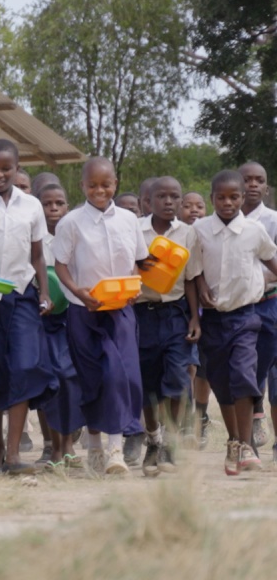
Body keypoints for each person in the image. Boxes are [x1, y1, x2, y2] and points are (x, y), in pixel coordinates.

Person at [0, 139, 58, 475]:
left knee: (23, 366)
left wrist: (44, 292)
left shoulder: (31, 206)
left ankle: (15, 454)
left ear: (17, 168)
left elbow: (37, 255)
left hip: (20, 298)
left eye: (7, 168)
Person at [53, 157, 151, 475]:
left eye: (105, 185)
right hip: (85, 311)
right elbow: (61, 266)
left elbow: (137, 261)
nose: (99, 190)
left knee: (120, 376)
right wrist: (77, 292)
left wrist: (136, 285)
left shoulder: (128, 220)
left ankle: (115, 449)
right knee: (92, 379)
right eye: (93, 185)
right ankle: (94, 445)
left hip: (120, 311)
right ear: (82, 186)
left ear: (115, 185)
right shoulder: (71, 223)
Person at [194, 169, 277, 474]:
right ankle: (234, 441)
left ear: (243, 198)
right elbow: (194, 270)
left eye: (234, 197)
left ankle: (246, 445)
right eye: (221, 197)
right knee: (221, 383)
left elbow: (271, 258)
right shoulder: (200, 231)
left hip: (246, 317)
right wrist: (201, 287)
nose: (227, 203)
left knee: (244, 375)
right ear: (211, 198)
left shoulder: (254, 231)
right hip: (214, 320)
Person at [134, 176, 201, 476]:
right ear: (149, 200)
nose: (169, 202)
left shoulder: (188, 233)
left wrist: (195, 317)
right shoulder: (136, 230)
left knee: (176, 379)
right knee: (148, 385)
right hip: (141, 314)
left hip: (175, 314)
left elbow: (191, 279)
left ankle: (171, 443)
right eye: (162, 196)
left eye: (175, 196)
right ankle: (153, 439)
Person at [37, 182, 84, 470]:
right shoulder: (34, 239)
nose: (54, 209)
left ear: (68, 206)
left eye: (59, 203)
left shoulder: (75, 235)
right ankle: (54, 445)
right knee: (48, 379)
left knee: (70, 378)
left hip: (73, 317)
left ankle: (68, 444)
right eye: (47, 204)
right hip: (42, 319)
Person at [239, 161, 277, 455]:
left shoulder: (274, 221)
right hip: (236, 307)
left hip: (268, 303)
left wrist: (256, 279)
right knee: (242, 368)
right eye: (247, 179)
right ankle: (246, 433)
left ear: (266, 186)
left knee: (267, 367)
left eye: (259, 180)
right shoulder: (223, 220)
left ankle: (259, 412)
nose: (253, 184)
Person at [179, 190, 212, 447]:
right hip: (185, 309)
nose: (193, 210)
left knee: (205, 369)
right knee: (188, 365)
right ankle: (187, 418)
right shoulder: (178, 234)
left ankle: (201, 414)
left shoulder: (210, 232)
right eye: (187, 206)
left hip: (210, 310)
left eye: (199, 205)